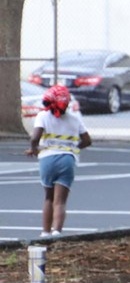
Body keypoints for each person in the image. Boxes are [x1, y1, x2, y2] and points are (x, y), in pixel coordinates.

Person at [25, 85, 91, 237]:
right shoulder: (74, 120)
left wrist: (34, 150)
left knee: (48, 197)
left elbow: (35, 138)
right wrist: (73, 147)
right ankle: (57, 232)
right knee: (60, 201)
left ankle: (45, 232)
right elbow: (87, 140)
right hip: (67, 160)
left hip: (47, 160)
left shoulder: (43, 116)